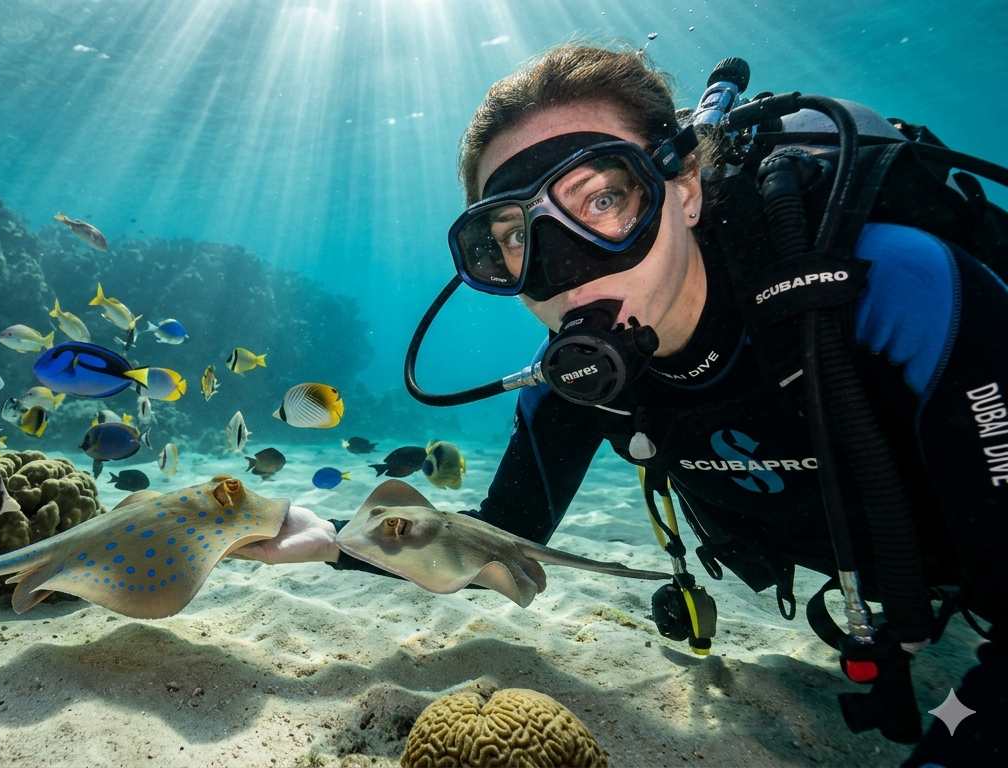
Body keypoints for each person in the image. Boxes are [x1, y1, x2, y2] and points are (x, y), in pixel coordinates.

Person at [232, 42, 1006, 766]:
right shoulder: (575, 385)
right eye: (509, 237)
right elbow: (500, 541)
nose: (561, 266)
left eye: (602, 197)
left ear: (687, 189)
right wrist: (327, 537)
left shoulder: (891, 290)